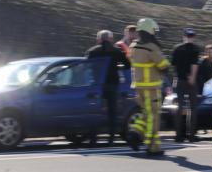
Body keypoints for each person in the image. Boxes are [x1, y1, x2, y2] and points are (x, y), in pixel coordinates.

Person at [126, 18, 171, 156]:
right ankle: (152, 147)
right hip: (151, 87)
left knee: (147, 113)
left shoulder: (133, 46)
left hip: (138, 86)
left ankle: (134, 134)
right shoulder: (151, 47)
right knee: (154, 117)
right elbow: (164, 67)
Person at [85, 30, 131, 146]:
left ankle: (93, 139)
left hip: (97, 85)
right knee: (112, 112)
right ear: (110, 39)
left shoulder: (92, 51)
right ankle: (111, 139)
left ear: (98, 39)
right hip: (112, 84)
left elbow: (85, 67)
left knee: (96, 111)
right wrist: (116, 67)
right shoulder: (116, 51)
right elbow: (127, 65)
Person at [171, 29, 201, 142]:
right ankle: (191, 135)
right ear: (194, 37)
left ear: (184, 36)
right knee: (192, 109)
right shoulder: (195, 48)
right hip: (190, 81)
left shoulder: (176, 48)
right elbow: (194, 64)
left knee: (179, 108)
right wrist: (192, 78)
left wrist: (178, 75)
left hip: (179, 80)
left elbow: (173, 64)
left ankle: (178, 135)